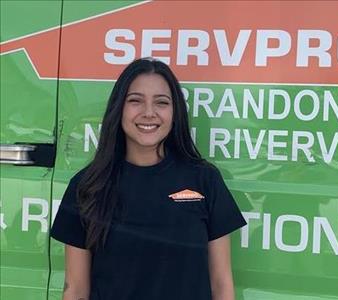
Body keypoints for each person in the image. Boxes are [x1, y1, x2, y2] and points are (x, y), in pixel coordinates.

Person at [50, 57, 247, 300]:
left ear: (175, 113)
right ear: (118, 108)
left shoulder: (205, 180)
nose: (149, 113)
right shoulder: (87, 186)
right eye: (135, 101)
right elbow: (76, 290)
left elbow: (221, 285)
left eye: (161, 102)